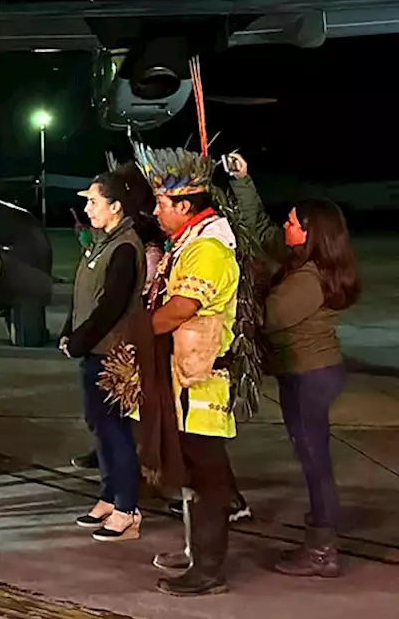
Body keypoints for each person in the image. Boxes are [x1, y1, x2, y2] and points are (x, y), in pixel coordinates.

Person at [229, 153, 359, 577]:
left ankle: (322, 550)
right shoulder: (299, 260)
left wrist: (240, 288)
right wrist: (244, 182)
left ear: (308, 233)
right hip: (306, 373)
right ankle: (321, 542)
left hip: (310, 376)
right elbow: (261, 230)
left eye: (291, 222)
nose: (284, 225)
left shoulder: (308, 278)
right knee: (312, 458)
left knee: (314, 462)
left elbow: (267, 318)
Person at [135, 143, 240, 597]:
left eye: (162, 203)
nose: (157, 211)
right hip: (185, 377)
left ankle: (210, 568)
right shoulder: (190, 242)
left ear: (184, 204)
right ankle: (198, 552)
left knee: (206, 476)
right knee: (193, 471)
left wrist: (133, 331)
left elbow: (180, 308)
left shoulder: (209, 249)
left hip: (201, 382)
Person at [60, 169, 147, 542]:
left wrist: (80, 341)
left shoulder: (125, 247)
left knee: (115, 430)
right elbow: (84, 295)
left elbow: (111, 306)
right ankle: (109, 496)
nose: (88, 208)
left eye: (94, 202)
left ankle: (128, 508)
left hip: (111, 355)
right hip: (92, 350)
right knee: (100, 426)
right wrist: (69, 331)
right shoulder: (101, 242)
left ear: (115, 207)